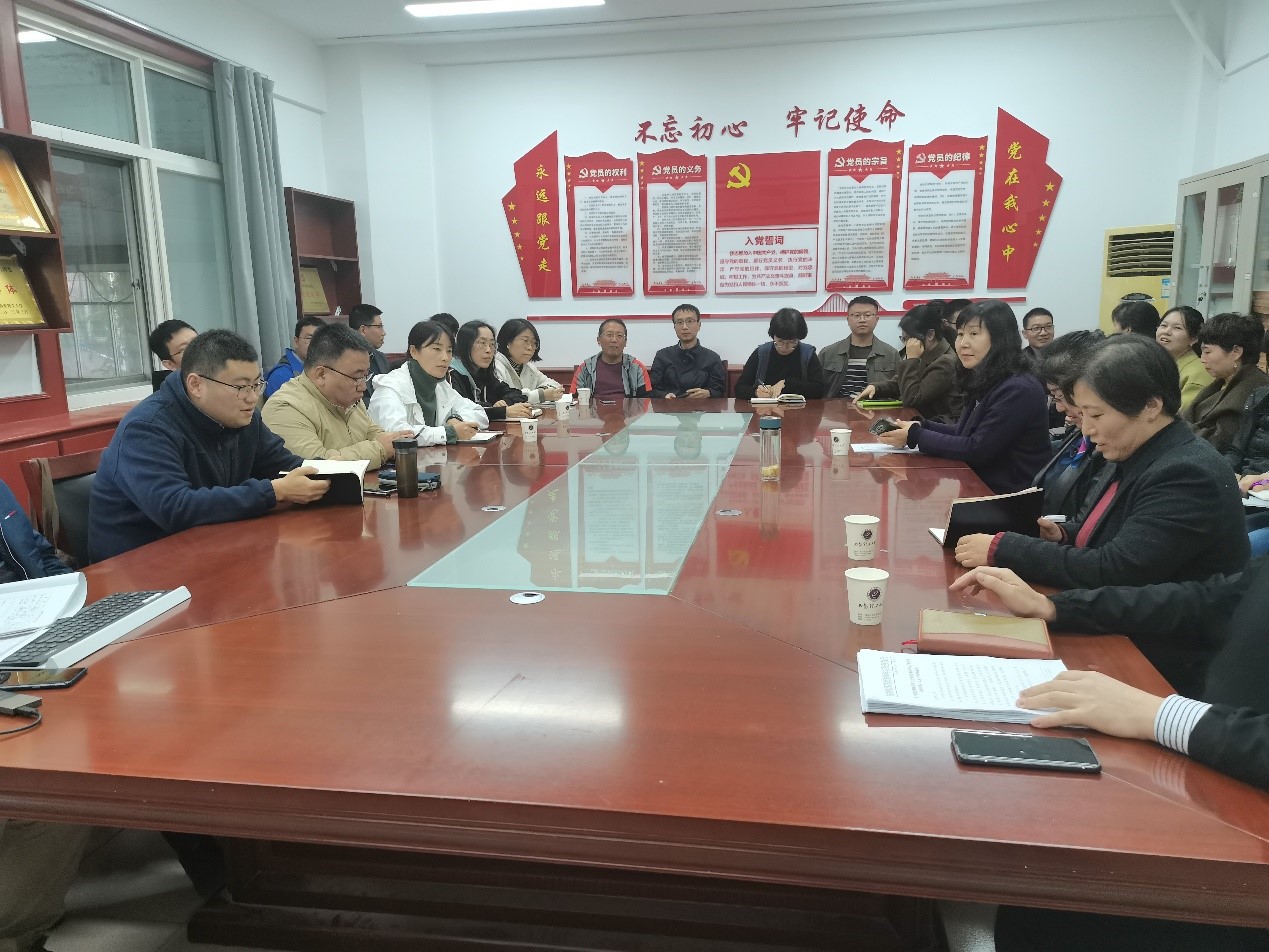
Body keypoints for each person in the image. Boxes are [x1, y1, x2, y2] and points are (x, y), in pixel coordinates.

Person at [949, 564, 1269, 952]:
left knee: (1048, 904)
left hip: (1243, 874)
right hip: (1209, 784)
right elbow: (1206, 601)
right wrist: (1057, 608)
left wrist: (1159, 714)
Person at [953, 334, 1249, 594]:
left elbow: (1117, 570)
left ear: (1150, 406)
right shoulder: (1135, 448)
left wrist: (1005, 549)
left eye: (1096, 415)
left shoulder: (1186, 473)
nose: (1087, 429)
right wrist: (1063, 534)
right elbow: (1119, 534)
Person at [89, 330, 330, 560]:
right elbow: (175, 508)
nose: (252, 397)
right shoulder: (147, 428)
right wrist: (273, 492)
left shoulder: (243, 416)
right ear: (196, 385)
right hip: (138, 567)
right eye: (241, 387)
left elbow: (282, 464)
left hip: (213, 546)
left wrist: (335, 471)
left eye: (257, 385)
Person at [0, 482, 93, 952]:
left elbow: (38, 554)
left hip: (27, 640)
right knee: (56, 782)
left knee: (90, 740)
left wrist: (70, 606)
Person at [877, 300, 1050, 494]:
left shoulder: (1018, 389)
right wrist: (921, 426)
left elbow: (976, 449)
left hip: (1005, 497)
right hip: (979, 487)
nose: (963, 343)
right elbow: (965, 431)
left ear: (1000, 338)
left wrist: (916, 435)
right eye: (960, 334)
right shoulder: (986, 378)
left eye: (974, 334)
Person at [261, 323, 413, 468]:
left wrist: (394, 441)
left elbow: (372, 432)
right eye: (356, 377)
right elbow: (315, 466)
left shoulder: (350, 399)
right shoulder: (286, 408)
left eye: (365, 376)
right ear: (321, 374)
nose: (363, 386)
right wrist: (380, 450)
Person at [1030, 330, 1109, 520]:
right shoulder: (1078, 433)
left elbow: (1084, 524)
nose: (1059, 408)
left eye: (1060, 396)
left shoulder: (1110, 447)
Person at [368, 320, 488, 446]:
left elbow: (479, 413)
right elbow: (397, 434)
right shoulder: (390, 387)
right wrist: (449, 433)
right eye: (437, 349)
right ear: (414, 351)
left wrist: (456, 419)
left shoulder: (440, 385)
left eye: (449, 351)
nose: (445, 358)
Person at [853, 302, 960, 421]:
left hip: (937, 425)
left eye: (909, 338)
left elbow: (911, 399)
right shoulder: (926, 354)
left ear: (930, 335)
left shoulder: (945, 362)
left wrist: (911, 360)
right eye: (903, 338)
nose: (907, 344)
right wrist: (876, 387)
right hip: (918, 421)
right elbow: (899, 384)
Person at [1181, 312, 1269, 453]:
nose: (1202, 359)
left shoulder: (1253, 390)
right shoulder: (1221, 383)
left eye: (1207, 352)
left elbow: (1217, 441)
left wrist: (1179, 429)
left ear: (1236, 352)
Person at [734, 308, 827, 400]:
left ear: (799, 338)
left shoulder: (807, 354)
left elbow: (819, 390)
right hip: (765, 409)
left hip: (800, 409)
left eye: (791, 342)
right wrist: (755, 392)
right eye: (780, 341)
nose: (784, 347)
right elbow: (739, 388)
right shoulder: (761, 353)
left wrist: (787, 384)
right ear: (773, 336)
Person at [450, 320, 532, 421]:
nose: (488, 350)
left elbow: (517, 394)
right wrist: (502, 411)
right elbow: (462, 410)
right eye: (482, 343)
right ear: (465, 345)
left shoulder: (484, 373)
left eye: (492, 344)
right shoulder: (452, 375)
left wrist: (505, 402)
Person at [818, 295, 899, 399]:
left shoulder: (891, 354)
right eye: (856, 315)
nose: (862, 320)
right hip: (836, 407)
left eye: (867, 315)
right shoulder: (827, 353)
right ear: (848, 320)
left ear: (877, 319)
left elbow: (899, 387)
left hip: (875, 407)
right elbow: (817, 388)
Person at [650, 304, 726, 399]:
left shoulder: (712, 358)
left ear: (699, 325)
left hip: (702, 407)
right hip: (671, 406)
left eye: (690, 321)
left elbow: (720, 390)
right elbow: (653, 389)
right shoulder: (662, 356)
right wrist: (664, 395)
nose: (685, 327)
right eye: (680, 322)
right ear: (674, 327)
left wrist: (708, 393)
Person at [570, 319, 652, 400]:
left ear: (625, 342)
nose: (614, 340)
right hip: (593, 409)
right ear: (599, 340)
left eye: (619, 336)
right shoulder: (586, 368)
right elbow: (573, 400)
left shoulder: (637, 368)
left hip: (628, 409)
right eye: (609, 335)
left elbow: (646, 402)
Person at [494, 318, 564, 405]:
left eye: (534, 342)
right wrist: (541, 395)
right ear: (508, 342)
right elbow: (505, 398)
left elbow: (555, 385)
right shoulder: (495, 366)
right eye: (525, 340)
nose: (530, 347)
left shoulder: (529, 367)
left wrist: (542, 391)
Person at [1155, 305, 1211, 409]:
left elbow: (1183, 413)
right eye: (1163, 325)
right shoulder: (1159, 364)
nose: (1166, 332)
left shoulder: (1199, 371)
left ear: (1194, 338)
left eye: (1177, 328)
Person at [264, 315, 325, 399]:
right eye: (309, 338)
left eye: (320, 339)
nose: (315, 344)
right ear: (296, 342)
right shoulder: (282, 375)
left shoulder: (319, 369)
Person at [348, 303, 389, 401]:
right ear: (363, 330)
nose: (384, 333)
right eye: (379, 327)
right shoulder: (345, 361)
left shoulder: (381, 358)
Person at [147, 319, 197, 391]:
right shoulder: (169, 396)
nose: (197, 349)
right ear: (170, 365)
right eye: (184, 349)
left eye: (197, 341)